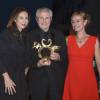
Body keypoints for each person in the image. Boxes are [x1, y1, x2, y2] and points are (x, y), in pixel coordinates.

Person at [27, 7, 67, 100]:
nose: (44, 21)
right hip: (37, 82)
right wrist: (37, 63)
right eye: (41, 18)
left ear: (51, 19)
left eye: (47, 18)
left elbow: (66, 55)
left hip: (56, 80)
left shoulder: (60, 35)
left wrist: (59, 56)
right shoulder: (29, 36)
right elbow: (26, 57)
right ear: (36, 20)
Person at [62, 11, 100, 100]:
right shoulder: (68, 40)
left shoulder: (94, 41)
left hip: (88, 80)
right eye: (72, 21)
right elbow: (60, 58)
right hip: (72, 80)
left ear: (85, 22)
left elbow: (98, 63)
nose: (75, 24)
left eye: (78, 21)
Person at [0, 7, 30, 100]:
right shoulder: (5, 34)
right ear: (15, 19)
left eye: (26, 18)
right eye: (21, 18)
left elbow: (26, 56)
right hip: (8, 76)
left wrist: (26, 69)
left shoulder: (25, 36)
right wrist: (6, 78)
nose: (24, 21)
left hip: (21, 78)